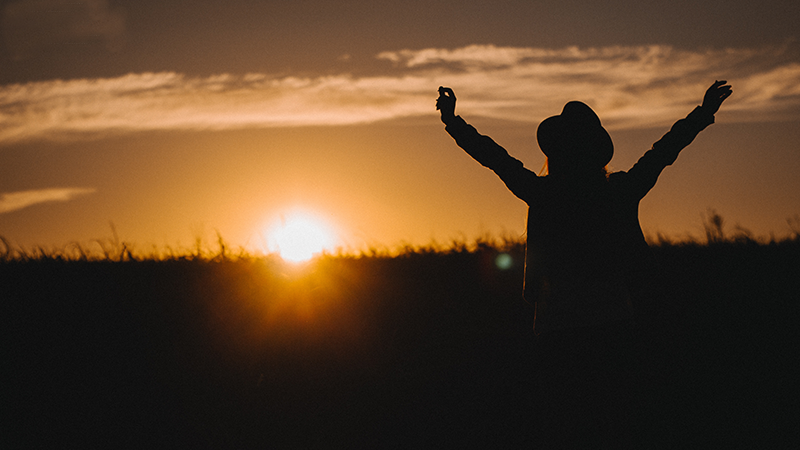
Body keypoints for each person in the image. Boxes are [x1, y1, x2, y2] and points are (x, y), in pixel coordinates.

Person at [436, 81, 732, 445]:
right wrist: (702, 114)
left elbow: (493, 157)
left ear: (556, 152)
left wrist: (453, 122)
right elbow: (664, 151)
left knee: (566, 426)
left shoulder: (543, 193)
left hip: (558, 330)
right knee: (613, 423)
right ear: (596, 152)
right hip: (614, 324)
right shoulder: (618, 191)